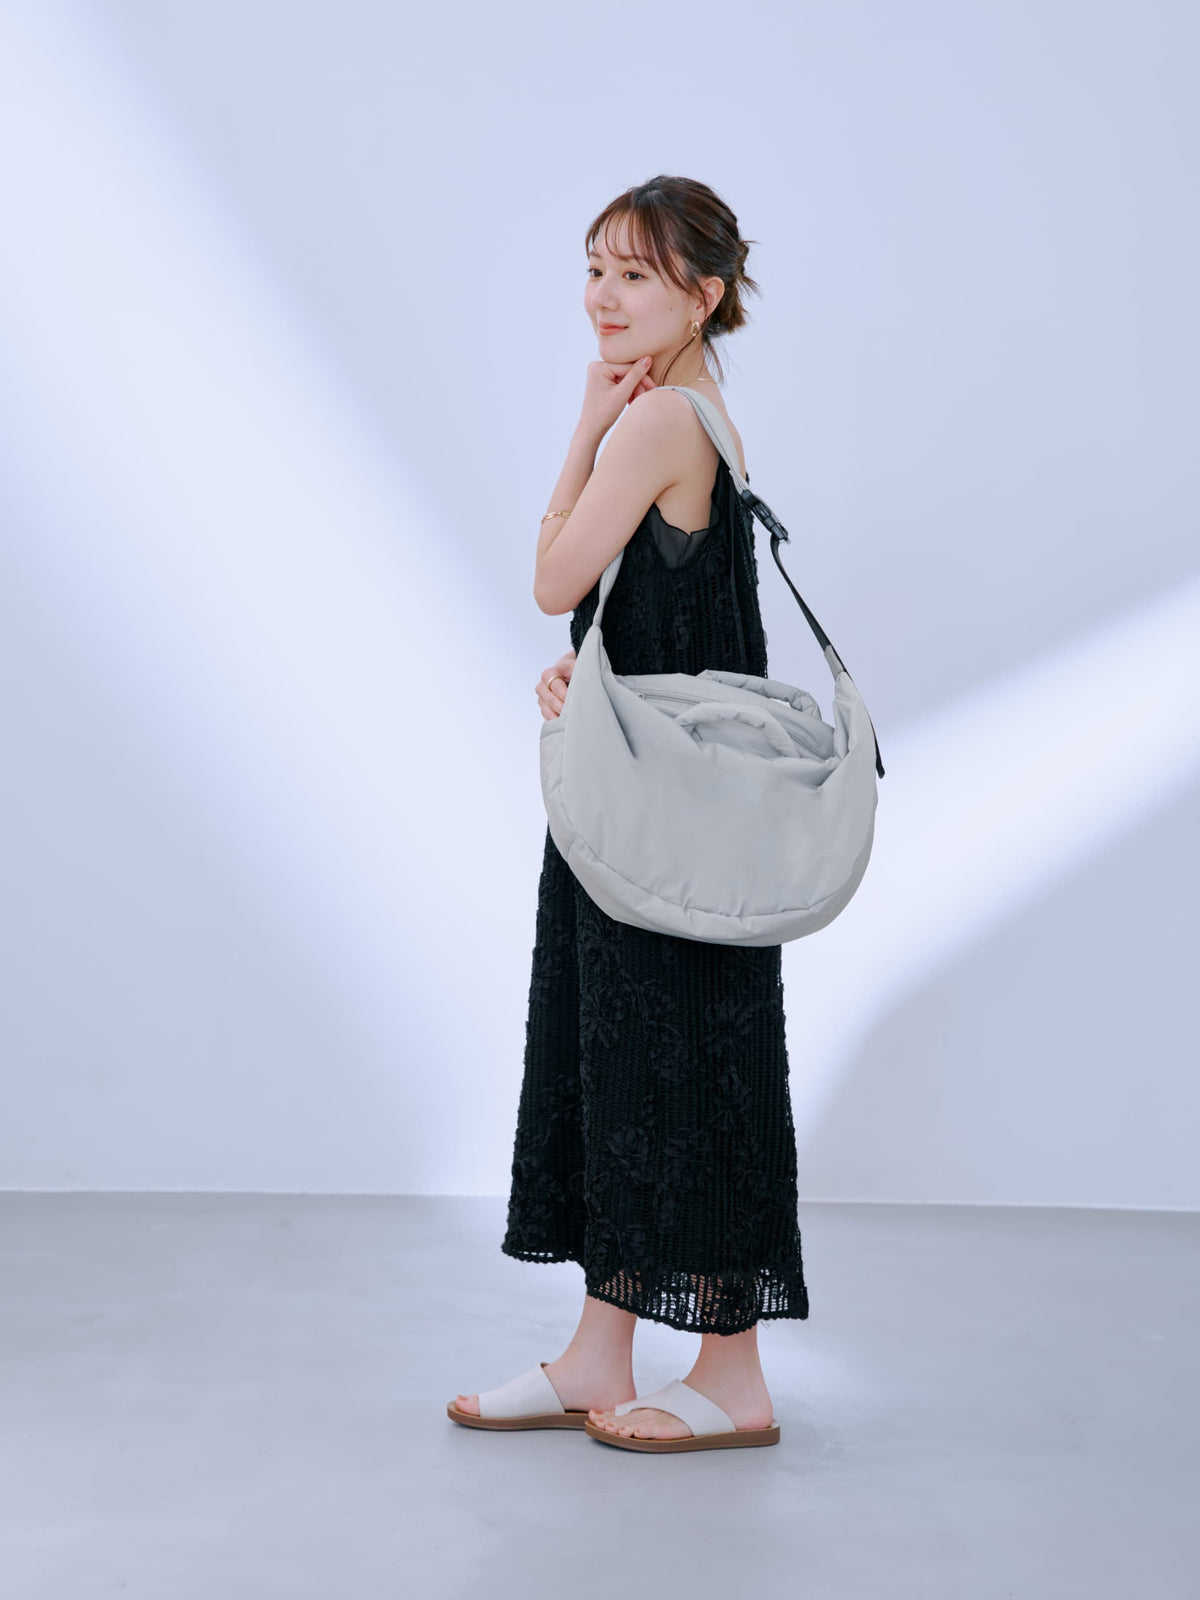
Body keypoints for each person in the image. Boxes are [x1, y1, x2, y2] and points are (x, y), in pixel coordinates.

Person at [449, 176, 809, 1452]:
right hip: (643, 794)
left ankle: (734, 1376)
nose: (603, 297)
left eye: (635, 274)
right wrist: (593, 673)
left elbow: (554, 573)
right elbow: (652, 615)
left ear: (701, 296)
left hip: (658, 814)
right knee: (621, 1054)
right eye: (595, 269)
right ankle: (600, 1352)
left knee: (684, 1058)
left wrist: (582, 429)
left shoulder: (658, 419)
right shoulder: (694, 413)